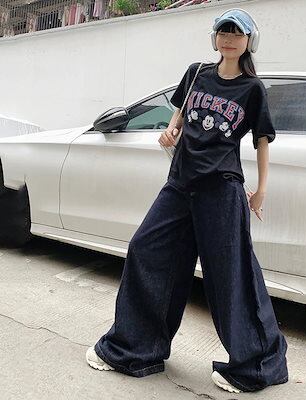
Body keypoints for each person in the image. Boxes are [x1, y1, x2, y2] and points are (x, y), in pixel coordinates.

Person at [86, 8, 289, 394]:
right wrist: (169, 131)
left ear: (250, 41)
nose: (229, 39)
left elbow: (262, 140)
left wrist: (261, 190)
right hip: (180, 183)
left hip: (221, 188)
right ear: (214, 38)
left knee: (230, 275)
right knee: (146, 249)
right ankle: (136, 349)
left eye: (237, 33)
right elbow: (178, 117)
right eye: (223, 32)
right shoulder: (197, 73)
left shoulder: (252, 88)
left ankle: (257, 364)